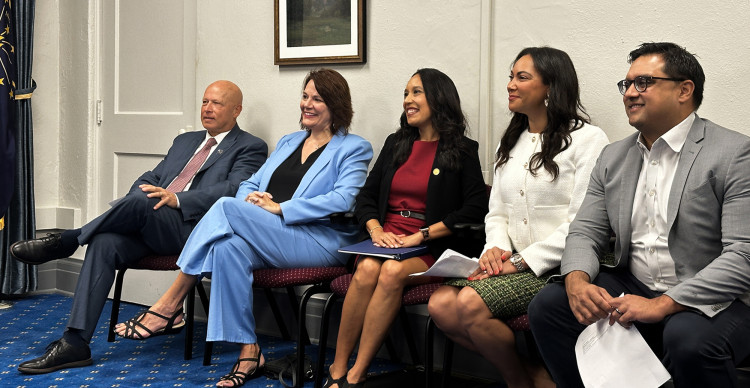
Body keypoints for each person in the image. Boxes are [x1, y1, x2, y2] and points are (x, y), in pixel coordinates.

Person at [114, 68, 373, 388]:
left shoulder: (354, 147)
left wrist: (281, 207)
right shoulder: (290, 141)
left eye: (317, 99)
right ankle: (249, 352)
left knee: (224, 207)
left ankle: (169, 304)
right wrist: (251, 199)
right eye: (305, 96)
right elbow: (250, 182)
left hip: (320, 240)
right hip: (276, 233)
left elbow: (345, 199)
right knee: (226, 247)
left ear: (336, 105)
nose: (307, 104)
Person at [528, 42, 750, 387]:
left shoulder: (734, 154)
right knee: (550, 305)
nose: (630, 93)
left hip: (715, 294)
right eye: (626, 84)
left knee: (687, 339)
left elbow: (743, 256)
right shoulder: (613, 157)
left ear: (684, 90)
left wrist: (664, 303)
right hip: (637, 283)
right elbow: (585, 231)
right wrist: (575, 280)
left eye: (643, 82)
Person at [11, 80, 268, 374]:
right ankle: (76, 342)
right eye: (204, 102)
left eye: (217, 103)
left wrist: (176, 199)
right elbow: (152, 176)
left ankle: (70, 239)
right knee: (105, 240)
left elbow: (232, 189)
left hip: (194, 231)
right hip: (152, 223)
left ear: (237, 110)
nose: (207, 109)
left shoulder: (250, 147)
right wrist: (144, 197)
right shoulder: (186, 141)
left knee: (143, 201)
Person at [428, 47, 608, 388]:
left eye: (521, 77)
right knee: (440, 305)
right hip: (511, 261)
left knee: (467, 301)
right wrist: (495, 248)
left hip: (557, 266)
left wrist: (522, 261)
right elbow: (496, 211)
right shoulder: (510, 140)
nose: (510, 84)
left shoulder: (589, 139)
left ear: (551, 88)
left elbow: (583, 223)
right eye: (511, 76)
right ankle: (532, 377)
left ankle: (517, 382)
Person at [325, 68, 488, 388]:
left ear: (438, 99)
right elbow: (367, 197)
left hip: (430, 244)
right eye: (405, 93)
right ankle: (337, 368)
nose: (408, 100)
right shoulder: (396, 143)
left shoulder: (464, 149)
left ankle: (356, 375)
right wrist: (375, 230)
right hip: (384, 238)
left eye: (416, 93)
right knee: (368, 268)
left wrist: (421, 234)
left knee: (390, 273)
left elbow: (474, 208)